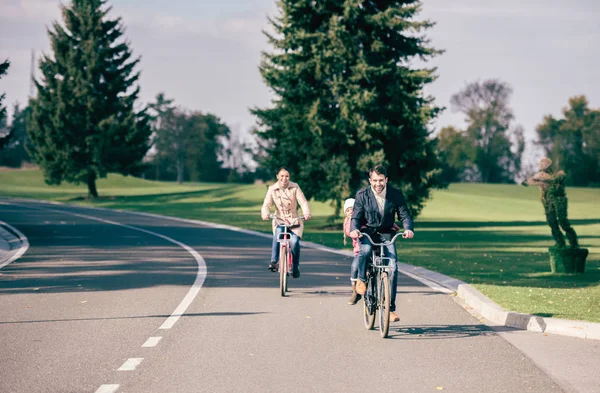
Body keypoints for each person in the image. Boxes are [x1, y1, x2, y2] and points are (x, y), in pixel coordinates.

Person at [349, 165, 414, 323]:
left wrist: (408, 229)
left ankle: (390, 309)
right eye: (375, 180)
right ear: (370, 180)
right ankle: (362, 280)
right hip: (367, 232)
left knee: (393, 268)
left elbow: (404, 214)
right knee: (364, 250)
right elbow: (356, 217)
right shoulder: (362, 195)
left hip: (387, 233)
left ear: (386, 179)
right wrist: (354, 229)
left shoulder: (395, 195)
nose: (378, 184)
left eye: (381, 180)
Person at [261, 167, 311, 278]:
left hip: (294, 220)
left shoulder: (295, 187)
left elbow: (302, 202)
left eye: (287, 176)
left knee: (294, 243)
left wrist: (306, 213)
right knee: (278, 236)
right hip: (280, 220)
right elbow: (266, 204)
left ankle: (295, 267)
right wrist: (265, 213)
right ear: (277, 176)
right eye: (282, 176)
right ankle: (274, 261)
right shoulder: (272, 189)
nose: (284, 179)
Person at [525, 157, 578, 248]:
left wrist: (541, 180)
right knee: (552, 222)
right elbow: (527, 182)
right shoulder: (539, 175)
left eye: (546, 165)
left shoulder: (558, 173)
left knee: (563, 221)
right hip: (547, 201)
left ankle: (573, 242)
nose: (544, 167)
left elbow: (557, 179)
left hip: (559, 199)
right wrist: (531, 180)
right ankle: (560, 242)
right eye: (542, 165)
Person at [343, 198, 361, 305]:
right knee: (355, 266)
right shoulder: (349, 222)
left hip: (371, 247)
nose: (350, 212)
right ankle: (354, 290)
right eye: (348, 210)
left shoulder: (362, 219)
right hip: (359, 250)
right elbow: (349, 231)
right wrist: (355, 232)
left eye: (352, 210)